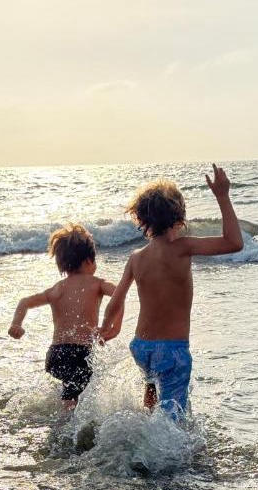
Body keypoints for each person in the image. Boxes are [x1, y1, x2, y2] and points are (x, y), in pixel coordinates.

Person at [100, 164, 243, 419]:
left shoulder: (136, 257)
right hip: (172, 349)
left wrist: (106, 328)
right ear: (179, 215)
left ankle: (145, 431)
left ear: (142, 219)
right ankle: (167, 457)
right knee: (172, 417)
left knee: (152, 395)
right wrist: (222, 197)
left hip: (142, 347)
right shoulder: (182, 247)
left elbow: (116, 302)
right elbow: (234, 243)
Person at [8, 224, 116, 409]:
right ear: (89, 260)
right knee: (73, 395)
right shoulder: (97, 283)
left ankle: (63, 416)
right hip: (80, 352)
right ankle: (64, 428)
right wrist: (112, 327)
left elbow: (24, 301)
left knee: (71, 386)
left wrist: (16, 324)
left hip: (55, 354)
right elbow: (118, 294)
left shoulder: (56, 289)